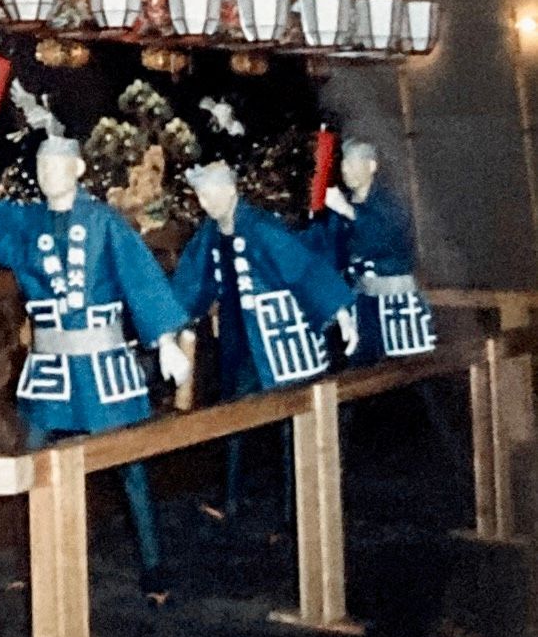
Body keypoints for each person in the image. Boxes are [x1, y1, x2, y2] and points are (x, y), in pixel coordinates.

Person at [0, 135, 190, 602]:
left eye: (56, 165)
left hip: (103, 364)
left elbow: (138, 275)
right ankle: (35, 559)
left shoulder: (103, 221)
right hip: (51, 367)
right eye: (41, 166)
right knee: (33, 461)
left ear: (78, 168)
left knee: (130, 465)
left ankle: (153, 564)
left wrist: (167, 339)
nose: (47, 175)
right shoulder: (32, 222)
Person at [173, 159, 357, 518]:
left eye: (210, 193)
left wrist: (339, 312)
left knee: (294, 425)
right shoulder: (210, 234)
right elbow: (194, 279)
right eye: (200, 196)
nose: (205, 203)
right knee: (234, 415)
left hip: (279, 339)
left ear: (230, 190)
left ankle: (295, 513)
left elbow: (302, 267)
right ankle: (229, 497)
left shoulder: (260, 228)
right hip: (240, 338)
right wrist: (177, 321)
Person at [307, 138, 436, 360]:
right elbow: (332, 249)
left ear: (371, 165)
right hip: (362, 299)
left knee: (407, 368)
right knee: (364, 366)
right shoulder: (342, 206)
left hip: (397, 297)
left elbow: (386, 238)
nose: (346, 170)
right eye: (344, 164)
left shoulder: (390, 202)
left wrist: (349, 212)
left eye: (352, 163)